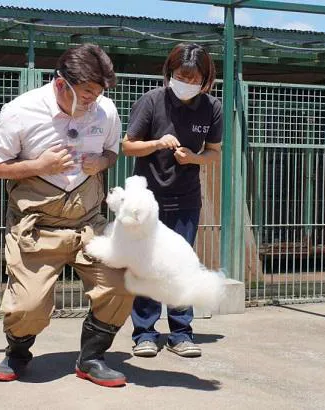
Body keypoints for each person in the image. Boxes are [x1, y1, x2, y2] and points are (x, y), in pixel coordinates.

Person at [0, 43, 133, 387]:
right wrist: (38, 165)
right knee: (28, 307)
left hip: (88, 223)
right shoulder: (20, 111)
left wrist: (103, 161)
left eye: (98, 93)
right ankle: (18, 352)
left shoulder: (105, 111)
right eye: (86, 93)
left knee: (123, 283)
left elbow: (113, 151)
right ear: (60, 83)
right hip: (37, 226)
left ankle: (92, 357)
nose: (92, 101)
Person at [122, 43, 222, 359]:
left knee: (180, 265)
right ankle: (145, 334)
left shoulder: (212, 108)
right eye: (181, 76)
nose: (186, 83)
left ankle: (181, 333)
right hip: (148, 201)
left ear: (205, 80)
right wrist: (156, 143)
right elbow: (127, 146)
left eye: (193, 78)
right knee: (146, 265)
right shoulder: (151, 102)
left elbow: (214, 153)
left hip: (187, 199)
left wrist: (194, 157)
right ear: (169, 74)